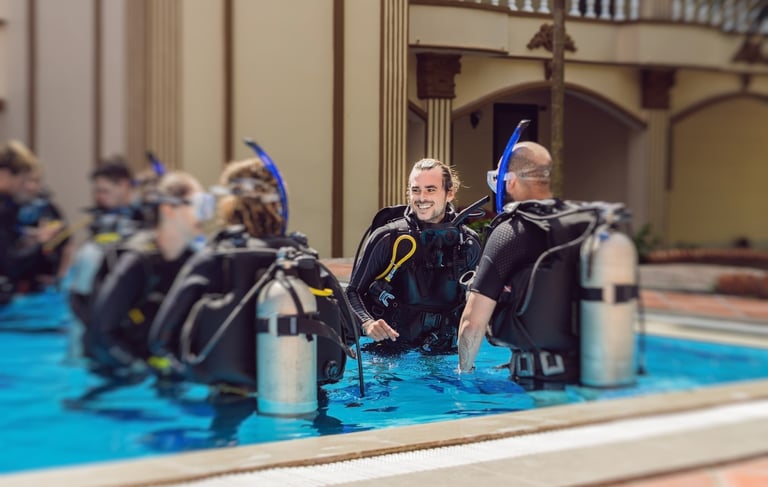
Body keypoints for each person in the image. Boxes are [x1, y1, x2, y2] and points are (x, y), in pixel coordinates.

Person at [149, 157, 353, 396]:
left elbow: (160, 339)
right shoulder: (304, 260)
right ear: (279, 204)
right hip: (304, 397)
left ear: (228, 203)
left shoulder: (214, 259)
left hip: (232, 401)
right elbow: (350, 333)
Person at [457, 141, 593, 386]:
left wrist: (463, 373)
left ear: (510, 181)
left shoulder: (511, 232)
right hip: (588, 373)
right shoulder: (581, 222)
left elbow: (472, 323)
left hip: (536, 382)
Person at [346, 158, 482, 354]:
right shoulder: (389, 238)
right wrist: (367, 324)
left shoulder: (468, 242)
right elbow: (352, 292)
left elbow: (479, 302)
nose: (422, 197)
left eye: (431, 189)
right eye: (416, 190)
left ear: (450, 193)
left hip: (442, 354)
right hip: (390, 353)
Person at [86, 171, 211, 377]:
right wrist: (141, 370)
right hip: (118, 373)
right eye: (198, 205)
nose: (205, 215)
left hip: (157, 364)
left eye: (207, 205)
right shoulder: (136, 262)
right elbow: (102, 333)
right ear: (169, 209)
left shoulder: (190, 261)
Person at [68, 156, 145, 328]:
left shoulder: (146, 213)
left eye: (105, 191)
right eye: (97, 191)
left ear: (124, 185)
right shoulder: (102, 216)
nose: (99, 197)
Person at [0, 140, 63, 303]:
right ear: (5, 174)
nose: (25, 187)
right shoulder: (4, 208)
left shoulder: (11, 206)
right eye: (22, 180)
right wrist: (39, 242)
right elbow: (10, 265)